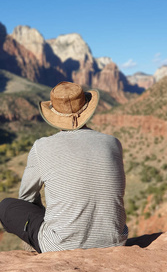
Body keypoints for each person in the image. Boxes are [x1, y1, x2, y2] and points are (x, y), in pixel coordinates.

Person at [0, 81, 128, 253]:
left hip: (61, 247)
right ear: (88, 107)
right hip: (115, 241)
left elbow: (27, 197)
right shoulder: (113, 142)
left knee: (6, 206)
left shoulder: (41, 146)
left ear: (54, 115)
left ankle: (40, 246)